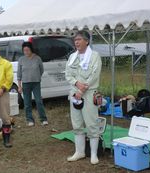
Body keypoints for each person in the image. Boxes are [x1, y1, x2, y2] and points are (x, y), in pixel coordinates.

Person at [65, 30, 102, 165]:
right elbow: (68, 74)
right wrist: (76, 85)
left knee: (92, 123)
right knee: (77, 123)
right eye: (75, 40)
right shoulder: (72, 57)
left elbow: (94, 74)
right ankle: (79, 152)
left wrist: (83, 88)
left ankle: (93, 154)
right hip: (75, 94)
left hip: (89, 93)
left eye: (79, 39)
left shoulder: (94, 56)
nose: (77, 42)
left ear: (87, 41)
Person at [17, 42, 48, 126]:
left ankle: (43, 119)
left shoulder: (37, 58)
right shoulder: (21, 59)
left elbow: (41, 70)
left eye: (27, 50)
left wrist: (37, 77)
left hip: (36, 83)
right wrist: (19, 86)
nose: (26, 52)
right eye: (24, 50)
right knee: (27, 103)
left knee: (39, 101)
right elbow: (19, 74)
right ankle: (30, 120)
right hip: (25, 84)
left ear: (31, 49)